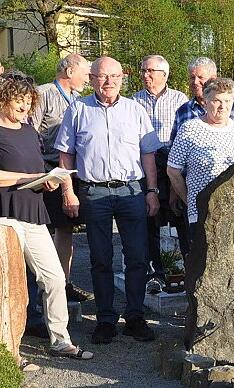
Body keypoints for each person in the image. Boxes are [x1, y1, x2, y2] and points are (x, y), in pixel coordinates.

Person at [55, 56, 162, 344]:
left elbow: (148, 154)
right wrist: (68, 191)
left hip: (131, 192)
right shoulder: (78, 110)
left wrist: (152, 191)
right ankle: (105, 319)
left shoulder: (135, 110)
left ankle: (135, 317)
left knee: (137, 257)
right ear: (91, 79)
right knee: (101, 258)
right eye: (102, 76)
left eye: (115, 76)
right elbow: (66, 154)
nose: (109, 82)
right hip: (94, 193)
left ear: (122, 79)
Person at [0, 72, 93, 360]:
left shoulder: (29, 130)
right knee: (7, 286)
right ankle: (8, 352)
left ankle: (60, 340)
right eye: (19, 100)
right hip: (4, 216)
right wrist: (29, 177)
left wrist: (48, 180)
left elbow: (38, 167)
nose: (25, 107)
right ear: (3, 99)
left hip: (33, 212)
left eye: (28, 101)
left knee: (53, 277)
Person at [25, 54, 91, 342]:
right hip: (44, 176)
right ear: (69, 70)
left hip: (69, 175)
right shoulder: (43, 94)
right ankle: (36, 296)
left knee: (66, 230)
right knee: (40, 233)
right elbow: (29, 136)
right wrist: (42, 174)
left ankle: (62, 283)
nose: (88, 77)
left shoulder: (79, 100)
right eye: (86, 72)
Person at [167, 78, 234, 238]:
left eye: (227, 101)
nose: (223, 106)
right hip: (202, 213)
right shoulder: (190, 129)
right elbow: (172, 170)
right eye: (216, 101)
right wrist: (190, 201)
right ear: (205, 102)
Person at [132, 54, 188, 294]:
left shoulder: (179, 99)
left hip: (173, 164)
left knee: (179, 219)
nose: (146, 75)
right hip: (146, 165)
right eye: (143, 70)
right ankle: (155, 272)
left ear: (164, 74)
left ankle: (188, 271)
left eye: (151, 71)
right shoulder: (134, 101)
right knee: (149, 222)